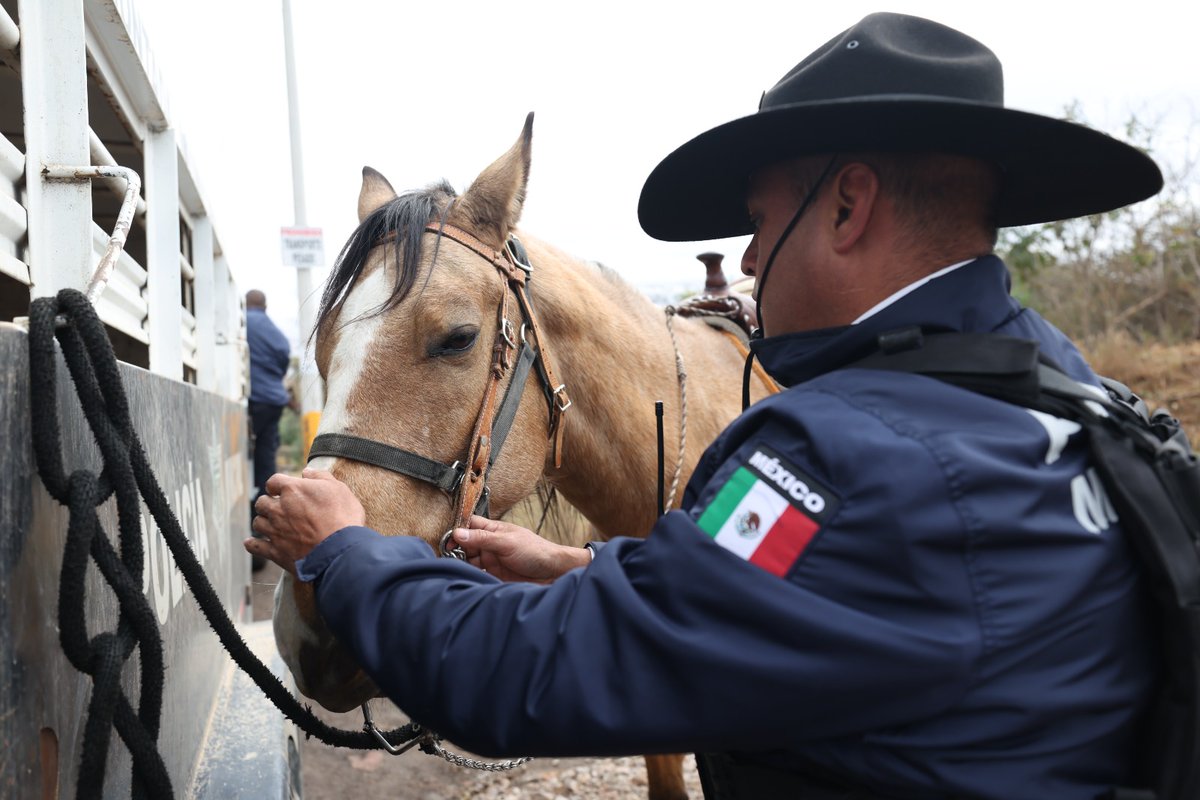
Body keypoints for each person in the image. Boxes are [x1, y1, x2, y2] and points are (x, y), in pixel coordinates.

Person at [246, 13, 1164, 799]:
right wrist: (575, 567)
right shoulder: (1062, 383)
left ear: (847, 207)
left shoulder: (837, 457)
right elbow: (816, 598)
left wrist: (344, 554)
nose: (752, 263)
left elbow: (538, 677)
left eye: (760, 224)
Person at [245, 289, 292, 502]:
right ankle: (263, 508)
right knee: (266, 454)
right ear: (265, 306)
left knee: (247, 453)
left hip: (255, 400)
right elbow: (284, 356)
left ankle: (249, 499)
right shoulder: (276, 333)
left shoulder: (243, 323)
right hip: (275, 401)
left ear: (246, 304)